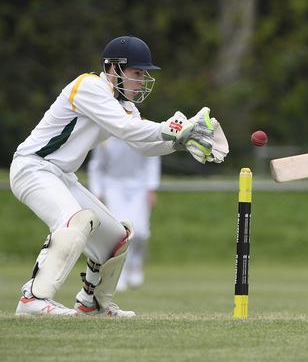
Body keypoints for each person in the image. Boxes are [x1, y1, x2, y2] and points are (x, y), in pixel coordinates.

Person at [11, 35, 229, 317]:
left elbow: (142, 145)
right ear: (114, 68)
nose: (142, 80)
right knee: (77, 221)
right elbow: (127, 129)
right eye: (137, 73)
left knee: (116, 238)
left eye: (144, 74)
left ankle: (92, 303)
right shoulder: (88, 86)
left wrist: (180, 142)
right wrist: (176, 128)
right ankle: (33, 299)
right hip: (32, 167)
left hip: (61, 175)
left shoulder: (123, 105)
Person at [87, 136, 161, 291]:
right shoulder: (105, 137)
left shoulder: (142, 133)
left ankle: (135, 264)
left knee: (140, 232)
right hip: (114, 186)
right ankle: (119, 274)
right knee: (121, 234)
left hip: (139, 187)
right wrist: (98, 191)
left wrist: (151, 188)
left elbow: (152, 160)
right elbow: (97, 166)